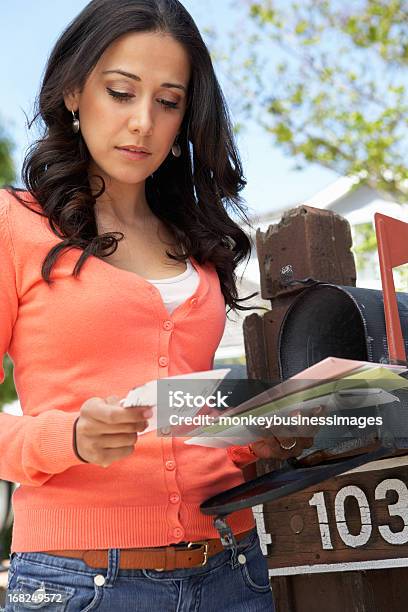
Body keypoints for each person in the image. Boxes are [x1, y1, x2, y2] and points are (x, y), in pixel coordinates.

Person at [0, 1, 312, 609]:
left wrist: (262, 435)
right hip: (82, 581)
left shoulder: (195, 240)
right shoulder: (15, 224)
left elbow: (193, 421)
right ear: (72, 92)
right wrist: (71, 438)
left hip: (234, 567)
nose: (143, 121)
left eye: (167, 102)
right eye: (120, 92)